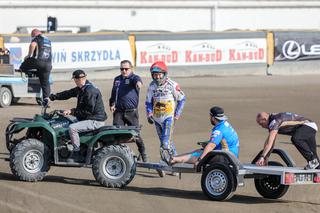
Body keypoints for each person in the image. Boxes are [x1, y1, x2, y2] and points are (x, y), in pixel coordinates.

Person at [49, 70, 107, 162]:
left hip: (95, 120)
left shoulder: (89, 91)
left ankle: (76, 152)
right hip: (89, 118)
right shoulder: (81, 88)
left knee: (72, 128)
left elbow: (88, 111)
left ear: (79, 79)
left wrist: (72, 111)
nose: (75, 81)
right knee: (66, 122)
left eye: (76, 80)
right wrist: (53, 97)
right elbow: (68, 93)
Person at [146, 61, 186, 163]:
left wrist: (177, 114)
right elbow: (148, 102)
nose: (157, 77)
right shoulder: (151, 86)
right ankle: (176, 162)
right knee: (168, 142)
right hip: (156, 119)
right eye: (155, 75)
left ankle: (164, 162)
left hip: (169, 118)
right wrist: (149, 113)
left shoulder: (172, 85)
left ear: (164, 74)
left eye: (159, 74)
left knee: (165, 143)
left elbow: (182, 98)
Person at [170, 106, 239, 165]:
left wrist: (200, 160)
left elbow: (211, 146)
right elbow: (223, 141)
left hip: (226, 157)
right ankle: (176, 158)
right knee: (198, 151)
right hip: (232, 154)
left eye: (210, 116)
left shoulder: (219, 130)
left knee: (201, 154)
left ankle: (174, 159)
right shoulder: (225, 124)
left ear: (213, 118)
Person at [109, 60, 148, 162]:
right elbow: (114, 93)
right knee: (116, 134)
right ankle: (119, 155)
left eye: (126, 69)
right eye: (122, 69)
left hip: (131, 112)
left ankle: (143, 154)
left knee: (136, 134)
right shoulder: (117, 79)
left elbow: (138, 82)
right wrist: (112, 103)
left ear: (131, 69)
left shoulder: (134, 78)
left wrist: (139, 84)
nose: (124, 71)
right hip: (118, 112)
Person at [20, 29, 52, 106]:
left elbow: (32, 45)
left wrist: (29, 55)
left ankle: (24, 73)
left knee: (24, 64)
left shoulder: (37, 38)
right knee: (45, 83)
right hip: (48, 65)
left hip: (38, 62)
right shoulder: (48, 40)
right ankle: (46, 100)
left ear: (34, 34)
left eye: (32, 36)